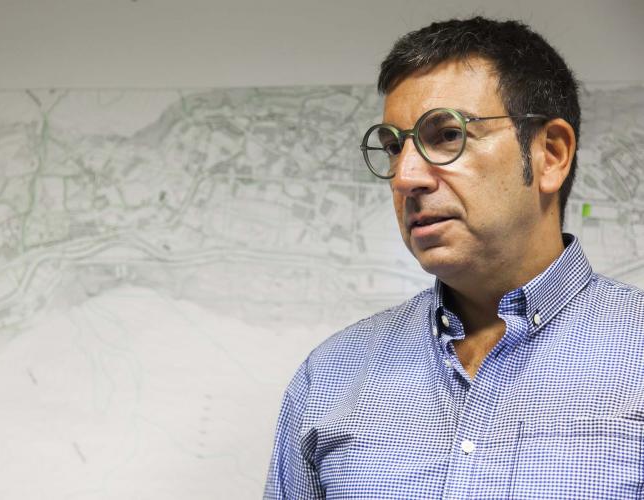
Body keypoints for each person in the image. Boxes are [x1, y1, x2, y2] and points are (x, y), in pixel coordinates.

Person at [264, 16, 644, 500]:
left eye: (446, 135)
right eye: (394, 147)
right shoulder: (328, 375)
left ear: (550, 154)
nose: (405, 177)